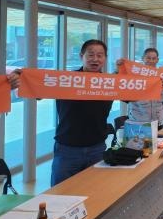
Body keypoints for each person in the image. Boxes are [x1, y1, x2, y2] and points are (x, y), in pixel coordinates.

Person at [8, 40, 114, 186]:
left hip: (97, 148)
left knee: (94, 190)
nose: (95, 59)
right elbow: (37, 91)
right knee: (60, 192)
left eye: (100, 55)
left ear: (105, 58)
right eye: (90, 55)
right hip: (67, 149)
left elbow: (133, 94)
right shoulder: (65, 80)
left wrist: (129, 73)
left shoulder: (111, 83)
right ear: (81, 56)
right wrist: (21, 77)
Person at [117, 48, 163, 124]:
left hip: (157, 120)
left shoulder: (162, 76)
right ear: (143, 58)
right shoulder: (134, 75)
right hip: (138, 120)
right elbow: (123, 92)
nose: (151, 61)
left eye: (154, 58)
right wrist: (120, 68)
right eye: (148, 58)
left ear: (157, 60)